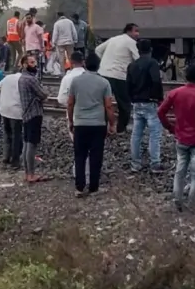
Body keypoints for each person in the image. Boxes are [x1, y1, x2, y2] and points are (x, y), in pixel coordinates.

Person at [158, 64, 195, 211]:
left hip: (181, 138)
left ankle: (177, 200)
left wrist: (170, 128)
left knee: (180, 170)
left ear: (185, 76)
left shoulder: (175, 93)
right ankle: (193, 203)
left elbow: (161, 112)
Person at [67, 53, 115, 197]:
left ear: (85, 64)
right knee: (96, 156)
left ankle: (79, 188)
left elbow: (70, 103)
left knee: (80, 155)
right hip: (98, 124)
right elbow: (108, 106)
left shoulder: (76, 81)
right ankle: (94, 188)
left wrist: (71, 121)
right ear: (98, 66)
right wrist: (112, 123)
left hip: (80, 123)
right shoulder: (104, 82)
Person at [126, 39, 165, 173]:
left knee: (136, 134)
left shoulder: (132, 65)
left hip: (137, 103)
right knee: (154, 134)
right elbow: (156, 81)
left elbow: (128, 85)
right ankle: (155, 163)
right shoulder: (152, 63)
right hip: (150, 102)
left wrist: (132, 98)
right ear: (151, 49)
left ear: (138, 50)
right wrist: (159, 98)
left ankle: (135, 163)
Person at [95, 23, 140, 133]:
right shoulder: (131, 42)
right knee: (124, 103)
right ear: (129, 31)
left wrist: (104, 63)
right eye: (136, 31)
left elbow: (97, 50)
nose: (137, 34)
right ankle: (121, 128)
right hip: (119, 76)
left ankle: (103, 127)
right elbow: (138, 59)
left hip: (103, 73)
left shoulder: (113, 39)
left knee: (103, 102)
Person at [19, 54, 49, 183]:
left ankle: (27, 173)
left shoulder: (21, 78)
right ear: (25, 64)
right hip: (34, 114)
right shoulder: (31, 79)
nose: (35, 64)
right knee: (32, 144)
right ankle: (31, 174)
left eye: (34, 62)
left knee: (26, 143)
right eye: (31, 62)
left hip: (26, 114)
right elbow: (43, 94)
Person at [0, 56, 24, 168]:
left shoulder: (7, 78)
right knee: (17, 136)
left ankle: (6, 157)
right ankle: (15, 161)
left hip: (4, 110)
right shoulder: (23, 80)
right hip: (16, 111)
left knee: (7, 134)